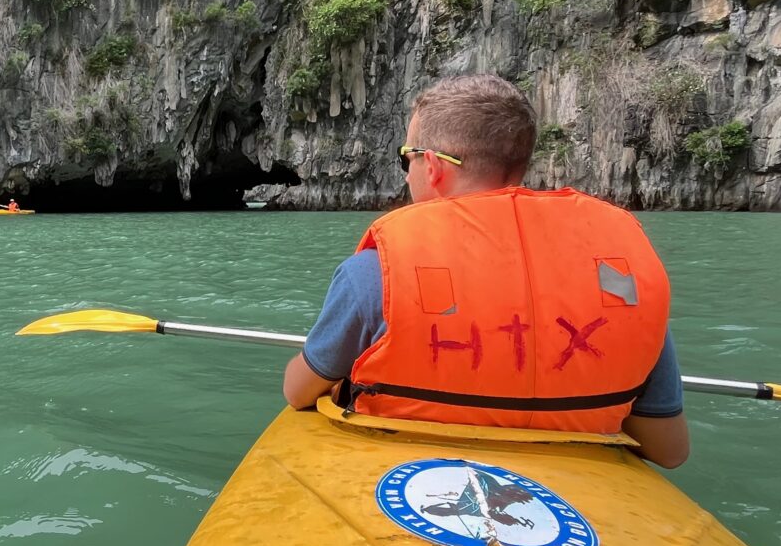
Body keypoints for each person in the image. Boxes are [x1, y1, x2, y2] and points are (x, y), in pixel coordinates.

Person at [281, 74, 689, 469]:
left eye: (407, 157)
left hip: (406, 477)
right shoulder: (623, 280)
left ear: (434, 168)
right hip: (575, 485)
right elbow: (668, 450)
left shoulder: (374, 273)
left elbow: (298, 391)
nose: (406, 173)